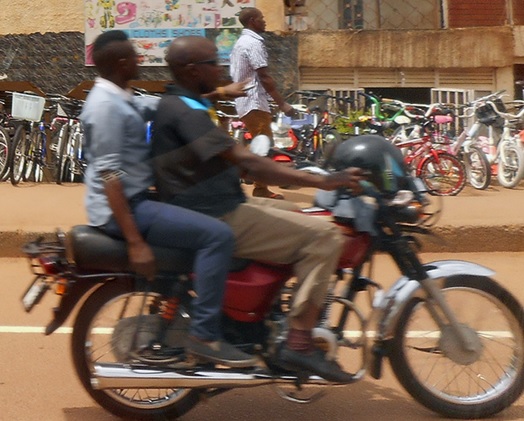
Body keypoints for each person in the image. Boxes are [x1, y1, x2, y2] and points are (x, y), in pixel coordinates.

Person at [152, 35, 365, 382]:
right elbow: (249, 162)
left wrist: (221, 92)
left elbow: (204, 102)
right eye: (212, 63)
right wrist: (324, 181)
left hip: (217, 201)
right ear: (192, 71)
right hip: (213, 212)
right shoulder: (186, 114)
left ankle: (271, 311)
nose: (220, 68)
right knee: (326, 236)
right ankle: (298, 342)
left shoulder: (180, 101)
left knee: (304, 216)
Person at [80, 30, 256, 368]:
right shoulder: (105, 107)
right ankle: (205, 336)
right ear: (121, 63)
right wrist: (135, 241)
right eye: (134, 56)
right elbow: (109, 175)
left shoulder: (121, 96)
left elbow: (159, 105)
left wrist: (219, 90)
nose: (140, 60)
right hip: (123, 210)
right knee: (217, 235)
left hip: (136, 200)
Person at [229, 7, 296, 200]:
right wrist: (283, 104)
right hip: (253, 102)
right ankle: (239, 178)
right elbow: (264, 77)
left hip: (249, 101)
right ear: (252, 21)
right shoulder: (253, 43)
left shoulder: (241, 42)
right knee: (263, 144)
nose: (265, 22)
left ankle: (259, 186)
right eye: (261, 18)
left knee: (261, 145)